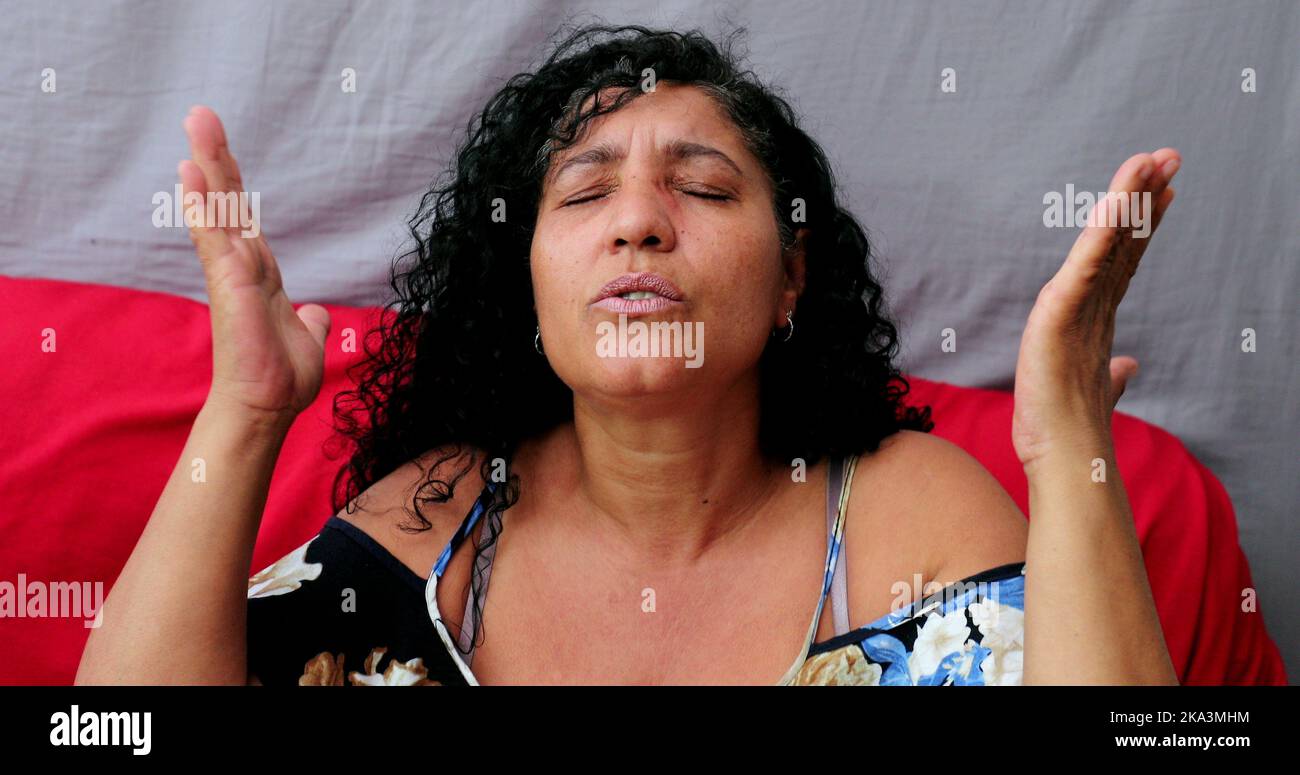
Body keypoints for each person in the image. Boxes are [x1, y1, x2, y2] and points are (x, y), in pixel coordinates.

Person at [77, 24, 1181, 685]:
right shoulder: (438, 521)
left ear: (792, 276)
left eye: (701, 188)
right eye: (584, 191)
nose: (639, 222)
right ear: (530, 286)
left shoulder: (910, 514)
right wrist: (247, 410)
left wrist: (1067, 441)